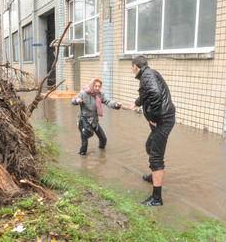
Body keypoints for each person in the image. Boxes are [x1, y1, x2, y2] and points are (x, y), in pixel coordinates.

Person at [129, 55, 175, 207]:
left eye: (132, 68)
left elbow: (155, 94)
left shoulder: (147, 75)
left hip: (162, 120)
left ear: (136, 66)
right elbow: (147, 94)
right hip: (163, 119)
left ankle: (156, 199)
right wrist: (136, 102)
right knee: (150, 147)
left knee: (156, 158)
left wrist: (154, 117)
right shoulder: (149, 74)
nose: (133, 70)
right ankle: (153, 176)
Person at [72, 78, 122, 155]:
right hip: (84, 120)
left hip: (94, 120)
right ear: (92, 86)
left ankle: (101, 153)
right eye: (96, 86)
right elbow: (73, 100)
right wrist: (77, 100)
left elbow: (108, 101)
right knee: (84, 144)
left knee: (103, 139)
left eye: (99, 86)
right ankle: (82, 156)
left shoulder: (100, 94)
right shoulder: (83, 93)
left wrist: (116, 105)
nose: (97, 88)